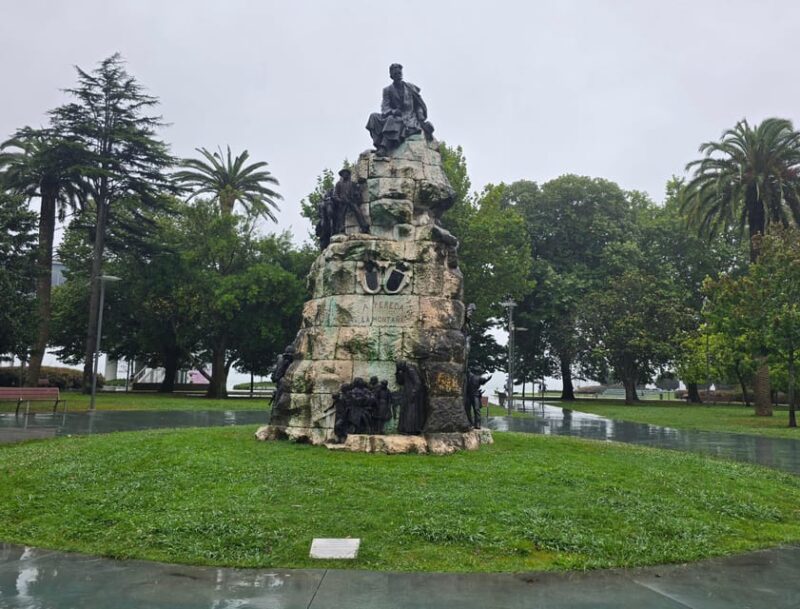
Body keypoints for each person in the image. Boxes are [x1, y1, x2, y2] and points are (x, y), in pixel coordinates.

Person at [366, 64, 434, 155]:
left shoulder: (410, 87)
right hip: (394, 115)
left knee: (392, 120)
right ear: (391, 75)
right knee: (373, 117)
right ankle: (379, 145)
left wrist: (421, 116)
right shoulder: (387, 90)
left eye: (399, 72)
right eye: (395, 73)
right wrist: (393, 111)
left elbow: (419, 104)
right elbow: (385, 107)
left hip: (409, 117)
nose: (398, 74)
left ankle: (384, 148)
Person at [333, 168, 369, 234]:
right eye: (343, 173)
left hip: (351, 201)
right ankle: (341, 229)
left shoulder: (353, 184)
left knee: (358, 211)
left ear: (348, 174)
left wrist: (357, 195)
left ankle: (364, 227)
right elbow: (335, 195)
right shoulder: (338, 184)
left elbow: (357, 193)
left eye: (346, 173)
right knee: (341, 215)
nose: (345, 174)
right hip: (342, 202)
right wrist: (340, 200)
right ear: (341, 175)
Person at [396, 360, 427, 434]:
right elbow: (400, 382)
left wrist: (413, 393)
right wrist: (398, 373)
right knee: (406, 411)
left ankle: (410, 430)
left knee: (411, 412)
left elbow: (418, 382)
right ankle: (404, 429)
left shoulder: (410, 369)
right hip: (407, 393)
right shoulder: (405, 370)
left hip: (412, 394)